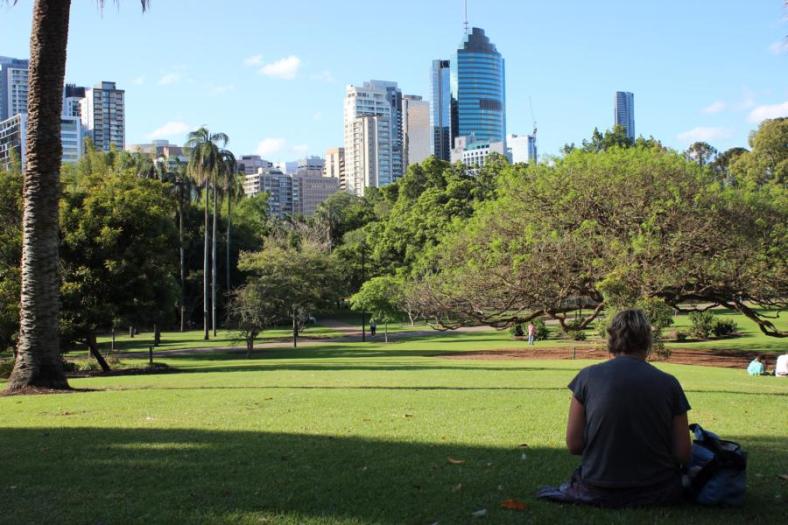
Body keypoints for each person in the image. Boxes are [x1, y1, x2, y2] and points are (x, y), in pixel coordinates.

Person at [537, 309, 691, 508]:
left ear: (612, 339)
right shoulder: (669, 383)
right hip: (657, 490)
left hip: (597, 488)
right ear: (647, 341)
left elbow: (574, 444)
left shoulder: (587, 377)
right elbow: (683, 454)